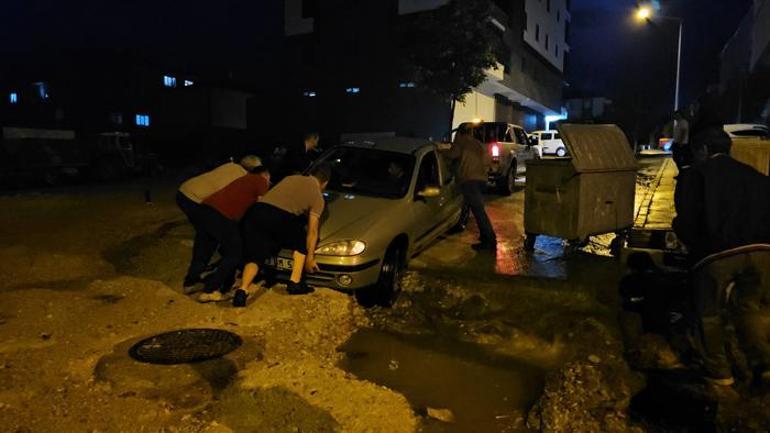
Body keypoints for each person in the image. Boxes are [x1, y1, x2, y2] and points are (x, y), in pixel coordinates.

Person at [672, 127, 770, 387]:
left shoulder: (696, 176)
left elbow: (688, 222)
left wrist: (685, 237)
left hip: (716, 254)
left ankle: (719, 373)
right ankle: (762, 363)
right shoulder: (756, 177)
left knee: (708, 313)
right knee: (749, 308)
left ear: (703, 150)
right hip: (762, 252)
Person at [234, 163, 331, 306]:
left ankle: (242, 291)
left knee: (256, 255)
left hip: (257, 212)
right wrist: (310, 258)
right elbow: (312, 231)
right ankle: (295, 282)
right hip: (279, 216)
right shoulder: (318, 197)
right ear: (325, 183)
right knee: (300, 241)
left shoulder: (290, 178)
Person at [177, 155, 262, 291]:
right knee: (223, 243)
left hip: (184, 192)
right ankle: (217, 284)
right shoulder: (243, 177)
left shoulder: (230, 166)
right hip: (199, 201)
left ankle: (192, 279)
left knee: (206, 238)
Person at [194, 165, 271, 302]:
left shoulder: (243, 180)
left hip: (205, 210)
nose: (269, 182)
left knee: (217, 249)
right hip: (222, 216)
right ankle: (210, 289)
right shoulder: (260, 181)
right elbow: (262, 206)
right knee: (234, 253)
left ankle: (199, 282)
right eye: (269, 179)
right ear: (264, 175)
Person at [442, 124, 497, 251]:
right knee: (472, 206)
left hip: (469, 180)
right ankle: (480, 234)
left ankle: (489, 240)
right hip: (481, 180)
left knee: (479, 212)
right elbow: (488, 160)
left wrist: (441, 151)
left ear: (460, 133)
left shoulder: (461, 142)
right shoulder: (477, 144)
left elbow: (452, 155)